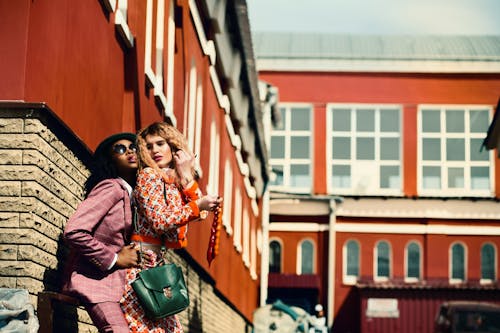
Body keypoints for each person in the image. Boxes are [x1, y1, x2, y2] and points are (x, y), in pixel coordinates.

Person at [120, 122, 221, 332]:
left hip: (157, 264)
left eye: (160, 143)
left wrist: (186, 175)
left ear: (173, 147)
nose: (155, 150)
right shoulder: (148, 176)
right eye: (148, 146)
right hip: (139, 264)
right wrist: (197, 205)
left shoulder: (171, 182)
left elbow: (200, 213)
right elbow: (160, 220)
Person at [63, 132, 141, 333]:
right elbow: (74, 231)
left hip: (121, 288)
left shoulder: (134, 195)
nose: (129, 152)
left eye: (133, 147)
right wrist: (114, 258)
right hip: (94, 283)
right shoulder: (111, 187)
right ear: (111, 159)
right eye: (120, 149)